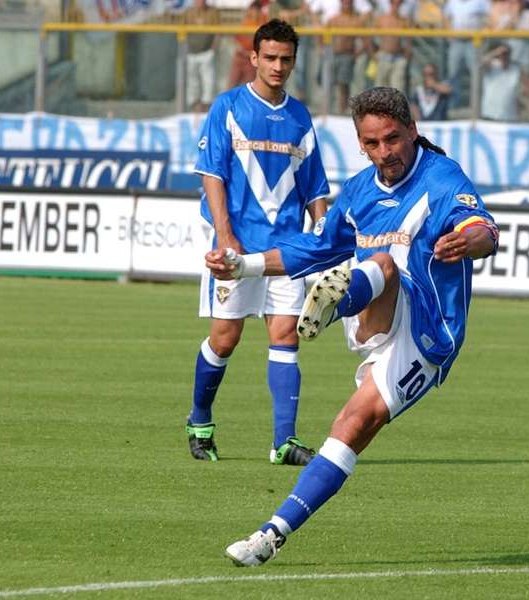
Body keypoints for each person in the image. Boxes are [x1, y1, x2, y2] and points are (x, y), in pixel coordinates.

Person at [205, 86, 499, 566]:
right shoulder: (360, 191)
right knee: (377, 272)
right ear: (361, 145)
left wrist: (470, 242)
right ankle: (270, 536)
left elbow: (482, 226)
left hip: (428, 331)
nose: (386, 152)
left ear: (413, 131)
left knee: (353, 419)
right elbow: (313, 248)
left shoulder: (442, 178)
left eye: (393, 139)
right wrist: (244, 266)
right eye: (373, 143)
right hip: (374, 318)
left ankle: (270, 534)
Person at [187, 20, 329, 465]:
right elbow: (212, 174)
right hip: (240, 247)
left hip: (287, 250)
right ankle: (199, 420)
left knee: (286, 335)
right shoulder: (228, 107)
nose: (278, 66)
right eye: (270, 57)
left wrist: (324, 240)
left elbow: (315, 188)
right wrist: (226, 236)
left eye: (286, 59)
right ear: (254, 58)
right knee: (225, 338)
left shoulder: (300, 117)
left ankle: (284, 442)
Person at [324, 0, 371, 114]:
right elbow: (322, 37)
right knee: (328, 84)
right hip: (332, 55)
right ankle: (327, 112)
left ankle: (341, 112)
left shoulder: (356, 21)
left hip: (347, 56)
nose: (346, 4)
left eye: (348, 2)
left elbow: (365, 42)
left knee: (343, 86)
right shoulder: (334, 19)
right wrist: (323, 50)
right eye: (344, 2)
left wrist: (355, 54)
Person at [183, 0, 221, 113]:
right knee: (192, 80)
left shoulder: (213, 12)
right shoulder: (188, 12)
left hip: (207, 52)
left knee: (208, 80)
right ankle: (194, 105)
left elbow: (219, 32)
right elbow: (182, 31)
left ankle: (206, 105)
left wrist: (214, 48)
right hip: (192, 52)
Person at [227, 0, 269, 88]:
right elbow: (235, 39)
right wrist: (240, 49)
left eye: (257, 10)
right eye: (252, 10)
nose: (254, 13)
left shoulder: (264, 23)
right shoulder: (244, 21)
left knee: (248, 85)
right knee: (232, 83)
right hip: (240, 56)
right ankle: (229, 101)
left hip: (252, 59)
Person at [373, 0, 412, 94]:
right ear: (390, 3)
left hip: (398, 57)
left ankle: (395, 109)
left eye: (399, 3)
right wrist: (373, 54)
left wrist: (407, 54)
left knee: (397, 89)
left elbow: (408, 40)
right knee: (380, 89)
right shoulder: (381, 19)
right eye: (395, 2)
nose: (397, 5)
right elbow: (371, 38)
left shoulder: (404, 20)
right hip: (383, 56)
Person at [480, 42, 521, 121]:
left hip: (509, 114)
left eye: (507, 53)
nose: (505, 56)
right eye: (503, 54)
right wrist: (496, 52)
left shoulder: (516, 68)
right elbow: (481, 62)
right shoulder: (493, 65)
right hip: (490, 112)